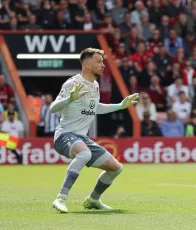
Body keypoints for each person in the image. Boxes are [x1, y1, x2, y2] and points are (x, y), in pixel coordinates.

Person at [50, 48, 140, 213]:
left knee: (116, 168)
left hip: (82, 138)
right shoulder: (72, 83)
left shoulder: (95, 85)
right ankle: (61, 198)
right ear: (88, 65)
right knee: (85, 154)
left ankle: (93, 200)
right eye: (99, 62)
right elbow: (53, 108)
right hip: (64, 135)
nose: (103, 65)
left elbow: (95, 108)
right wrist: (69, 100)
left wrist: (120, 106)